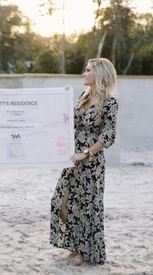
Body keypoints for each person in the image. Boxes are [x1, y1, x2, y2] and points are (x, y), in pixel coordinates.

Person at [50, 57, 118, 266]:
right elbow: (70, 122)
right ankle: (75, 243)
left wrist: (86, 153)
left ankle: (84, 251)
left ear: (98, 74)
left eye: (88, 70)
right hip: (71, 159)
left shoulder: (110, 102)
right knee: (60, 202)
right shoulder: (83, 97)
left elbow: (108, 136)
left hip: (91, 163)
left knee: (86, 207)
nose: (84, 74)